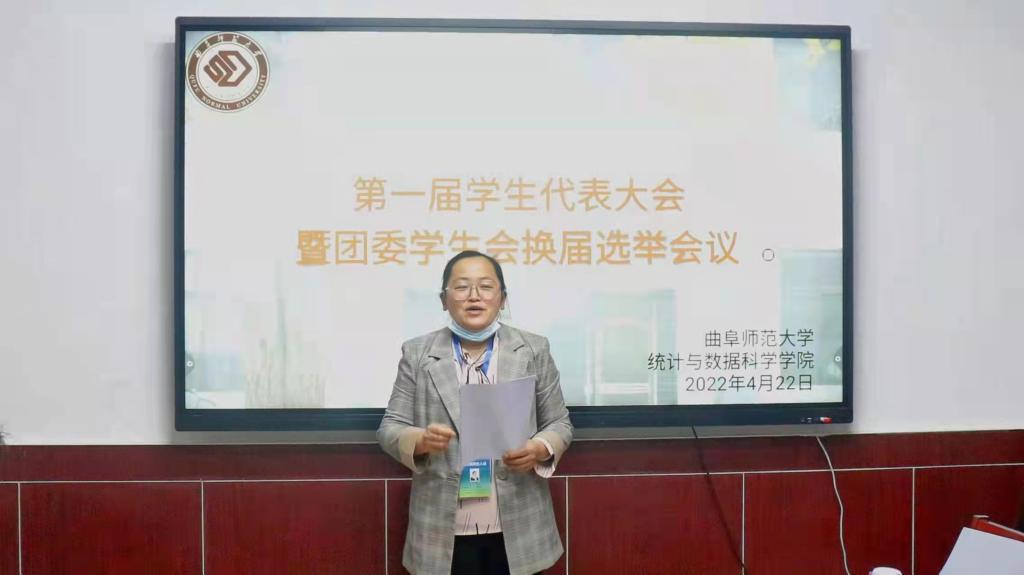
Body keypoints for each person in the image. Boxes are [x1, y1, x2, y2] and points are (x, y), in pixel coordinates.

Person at [378, 250, 573, 575]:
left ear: (502, 298)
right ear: (444, 300)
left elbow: (559, 423)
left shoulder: (533, 349)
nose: (474, 296)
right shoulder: (417, 353)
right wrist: (420, 440)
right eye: (461, 287)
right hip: (442, 528)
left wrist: (539, 448)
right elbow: (390, 427)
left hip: (519, 524)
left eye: (485, 286)